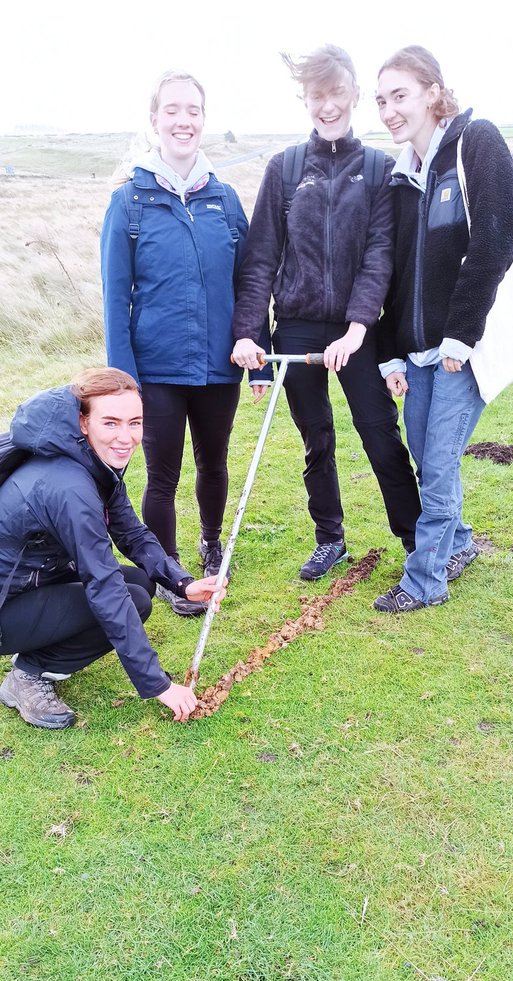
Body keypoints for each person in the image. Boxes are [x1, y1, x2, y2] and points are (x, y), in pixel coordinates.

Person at [232, 45, 421, 582]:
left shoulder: (379, 168)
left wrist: (359, 327)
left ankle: (414, 540)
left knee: (380, 432)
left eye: (337, 93)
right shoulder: (286, 168)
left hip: (358, 329)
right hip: (295, 326)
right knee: (317, 437)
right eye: (318, 95)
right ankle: (329, 538)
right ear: (306, 100)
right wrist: (253, 339)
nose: (328, 105)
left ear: (355, 95)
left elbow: (381, 252)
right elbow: (261, 258)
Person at [100, 71, 269, 615]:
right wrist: (124, 384)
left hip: (220, 367)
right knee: (162, 475)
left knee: (213, 463)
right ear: (154, 120)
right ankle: (170, 572)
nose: (183, 120)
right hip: (156, 370)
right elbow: (114, 299)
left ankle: (212, 544)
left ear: (203, 119)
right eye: (172, 110)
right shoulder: (128, 202)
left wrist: (257, 355)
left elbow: (251, 284)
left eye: (193, 111)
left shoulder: (224, 198)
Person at [373, 45, 513, 613]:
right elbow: (392, 272)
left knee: (437, 463)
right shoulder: (400, 176)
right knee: (424, 451)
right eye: (381, 99)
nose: (388, 110)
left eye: (400, 95)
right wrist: (390, 353)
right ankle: (458, 543)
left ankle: (425, 580)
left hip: (464, 348)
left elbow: (499, 237)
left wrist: (462, 334)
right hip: (415, 353)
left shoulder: (474, 142)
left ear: (434, 91)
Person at [0, 368, 227, 730]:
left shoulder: (84, 456)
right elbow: (103, 587)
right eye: (111, 423)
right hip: (7, 603)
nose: (126, 437)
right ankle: (26, 675)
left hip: (33, 578)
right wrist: (159, 685)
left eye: (134, 422)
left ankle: (37, 655)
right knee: (130, 601)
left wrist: (182, 583)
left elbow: (132, 533)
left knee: (141, 581)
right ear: (83, 421)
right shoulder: (69, 487)